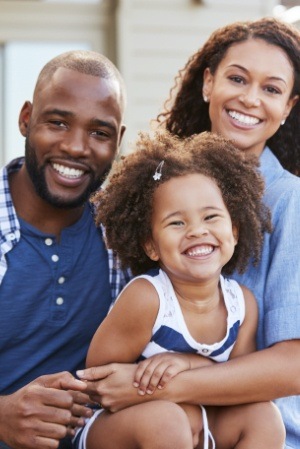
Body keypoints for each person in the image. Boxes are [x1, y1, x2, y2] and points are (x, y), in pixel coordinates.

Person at [77, 17, 300, 449]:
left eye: (271, 89)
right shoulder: (161, 186)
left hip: (258, 427)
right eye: (237, 78)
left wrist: (172, 378)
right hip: (153, 424)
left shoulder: (290, 201)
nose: (250, 99)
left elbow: (293, 365)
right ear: (208, 83)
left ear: (288, 108)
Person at [74, 130, 285, 449]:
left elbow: (240, 384)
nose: (198, 231)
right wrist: (156, 384)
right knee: (167, 421)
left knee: (264, 416)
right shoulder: (147, 298)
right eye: (177, 223)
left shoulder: (242, 305)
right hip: (120, 428)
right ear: (151, 245)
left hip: (200, 423)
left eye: (211, 217)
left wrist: (189, 365)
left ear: (235, 230)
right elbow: (100, 381)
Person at [0, 50, 131, 449]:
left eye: (99, 132)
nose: (76, 147)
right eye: (58, 122)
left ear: (118, 141)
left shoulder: (124, 237)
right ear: (26, 119)